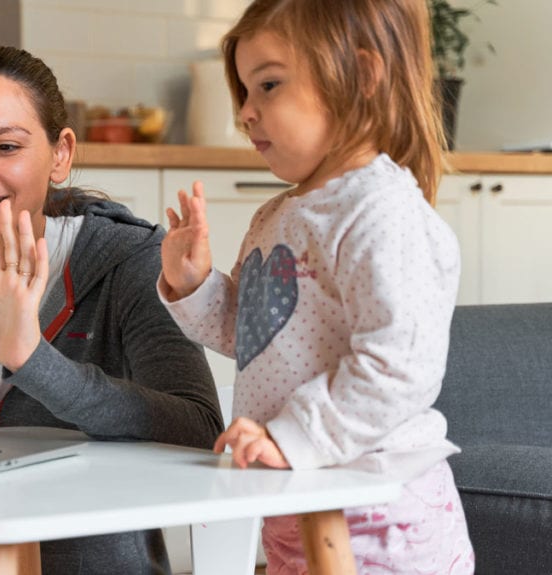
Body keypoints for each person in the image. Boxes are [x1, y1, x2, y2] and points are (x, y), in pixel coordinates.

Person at [0, 45, 223, 575]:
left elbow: (199, 429)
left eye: (5, 145)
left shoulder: (129, 261)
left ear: (60, 153)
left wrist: (33, 360)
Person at [158, 0, 474, 573]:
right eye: (244, 94)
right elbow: (253, 337)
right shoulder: (279, 214)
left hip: (377, 514)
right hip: (297, 501)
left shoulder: (381, 211)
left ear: (361, 76)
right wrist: (195, 285)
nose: (246, 114)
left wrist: (293, 436)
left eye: (269, 85)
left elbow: (399, 367)